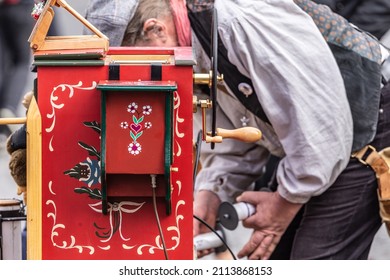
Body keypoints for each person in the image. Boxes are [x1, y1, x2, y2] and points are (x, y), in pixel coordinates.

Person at [84, 0, 388, 260]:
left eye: (138, 64)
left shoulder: (236, 22)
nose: (143, 82)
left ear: (155, 29)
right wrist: (211, 194)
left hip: (369, 122)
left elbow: (321, 120)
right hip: (325, 143)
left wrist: (284, 203)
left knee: (312, 261)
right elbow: (243, 122)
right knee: (280, 256)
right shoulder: (194, 36)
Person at [0, 0, 35, 140]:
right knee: (21, 62)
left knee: (2, 62)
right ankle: (8, 106)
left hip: (3, 9)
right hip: (22, 7)